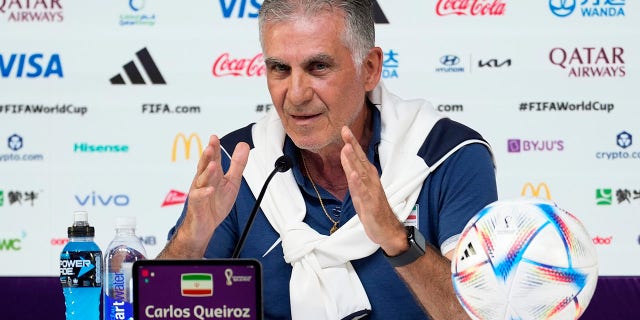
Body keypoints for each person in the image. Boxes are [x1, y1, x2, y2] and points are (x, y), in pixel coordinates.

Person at [158, 0, 497, 319]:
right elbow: (161, 307)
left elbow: (478, 313)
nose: (296, 94)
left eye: (318, 67)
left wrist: (397, 239)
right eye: (279, 68)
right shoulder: (241, 163)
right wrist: (191, 239)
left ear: (369, 68)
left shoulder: (446, 154)